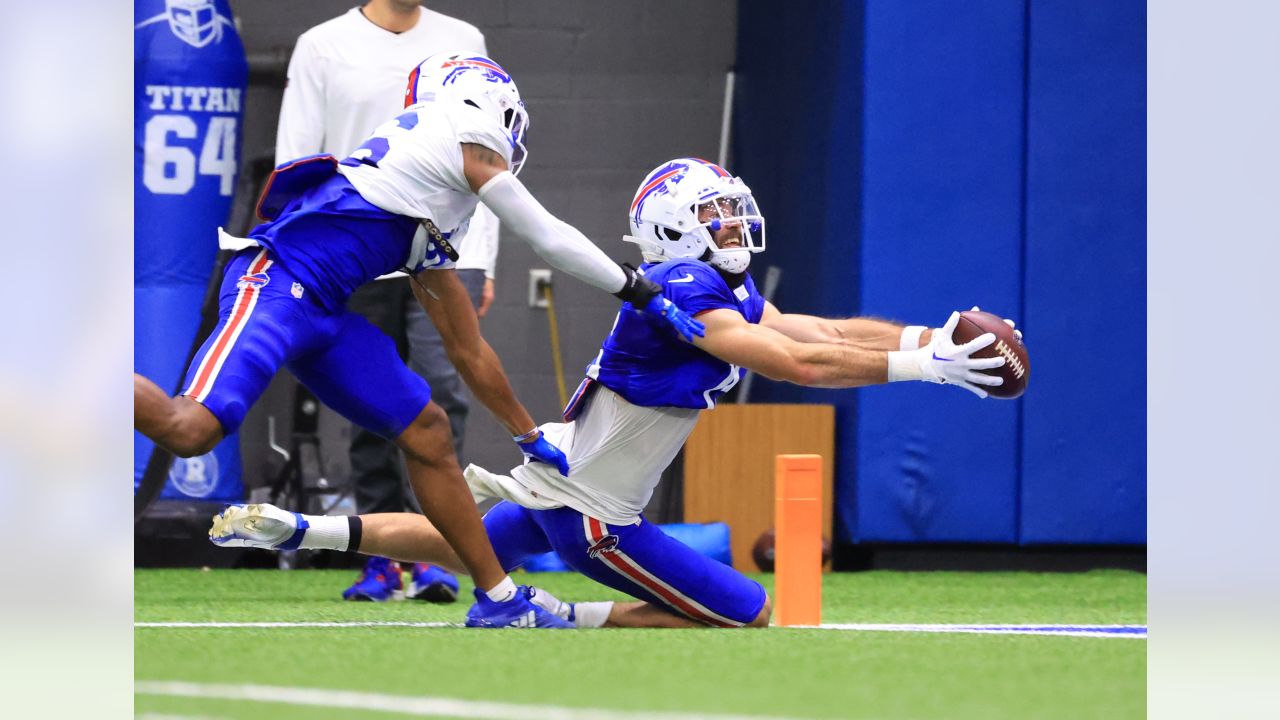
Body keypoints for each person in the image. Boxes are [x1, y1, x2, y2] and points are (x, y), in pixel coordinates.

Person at [207, 158, 1016, 628]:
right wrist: (927, 372)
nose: (734, 231)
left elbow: (822, 332)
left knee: (464, 543)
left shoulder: (714, 285)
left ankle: (299, 530)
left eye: (735, 218)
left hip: (570, 484)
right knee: (750, 613)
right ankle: (561, 617)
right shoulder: (681, 288)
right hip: (599, 519)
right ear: (675, 230)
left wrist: (927, 339)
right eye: (717, 219)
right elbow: (793, 365)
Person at [135, 57, 705, 630]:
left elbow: (468, 348)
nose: (513, 136)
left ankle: (500, 600)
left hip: (323, 308)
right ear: (482, 105)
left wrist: (528, 434)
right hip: (276, 283)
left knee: (427, 430)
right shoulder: (456, 139)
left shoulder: (431, 185)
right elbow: (548, 236)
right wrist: (639, 290)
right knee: (192, 430)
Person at [275, 0, 503, 603]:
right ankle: (380, 560)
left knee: (443, 391)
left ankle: (438, 550)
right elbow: (294, 158)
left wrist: (485, 258)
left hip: (446, 251)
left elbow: (490, 153)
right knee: (371, 399)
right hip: (355, 245)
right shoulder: (322, 44)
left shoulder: (464, 36)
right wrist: (297, 247)